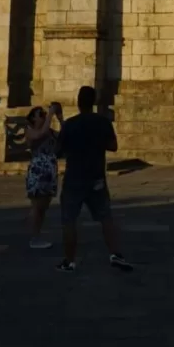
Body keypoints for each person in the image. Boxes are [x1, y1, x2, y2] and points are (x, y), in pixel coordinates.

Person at [56, 85, 132, 272]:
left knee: (69, 220)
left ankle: (69, 261)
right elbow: (113, 146)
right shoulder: (102, 122)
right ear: (94, 102)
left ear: (78, 102)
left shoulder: (70, 124)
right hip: (96, 176)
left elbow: (59, 151)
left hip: (74, 177)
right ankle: (115, 254)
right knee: (105, 217)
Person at [22, 101, 63, 250]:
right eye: (41, 115)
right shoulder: (30, 130)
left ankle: (36, 231)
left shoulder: (50, 131)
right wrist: (51, 114)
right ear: (33, 119)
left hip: (49, 171)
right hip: (38, 171)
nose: (45, 117)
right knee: (38, 206)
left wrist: (60, 117)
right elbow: (40, 135)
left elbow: (65, 136)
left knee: (43, 207)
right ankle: (34, 237)